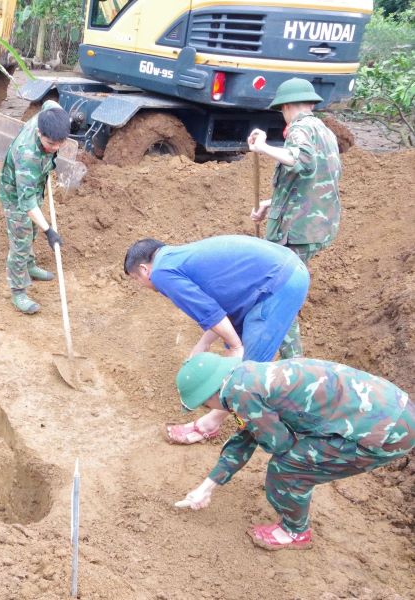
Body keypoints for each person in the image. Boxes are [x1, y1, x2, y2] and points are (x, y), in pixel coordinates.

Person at [173, 352, 413, 550]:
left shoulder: (240, 396)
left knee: (286, 469)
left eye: (203, 404)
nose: (206, 408)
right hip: (396, 405)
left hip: (385, 433)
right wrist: (207, 488)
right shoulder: (246, 376)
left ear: (210, 394)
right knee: (294, 455)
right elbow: (245, 436)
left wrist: (266, 430)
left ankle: (295, 532)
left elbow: (279, 444)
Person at [124, 235, 309, 444]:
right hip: (279, 275)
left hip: (280, 283)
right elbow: (222, 309)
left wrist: (237, 347)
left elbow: (210, 311)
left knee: (248, 369)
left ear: (144, 269)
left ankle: (211, 424)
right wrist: (203, 343)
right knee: (237, 350)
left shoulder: (161, 273)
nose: (140, 284)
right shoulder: (177, 259)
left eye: (136, 279)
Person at [248, 77, 342, 359]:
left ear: (287, 106)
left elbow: (303, 161)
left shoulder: (300, 129)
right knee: (280, 289)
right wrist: (270, 203)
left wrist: (263, 148)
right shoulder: (323, 131)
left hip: (296, 233)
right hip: (316, 227)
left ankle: (293, 364)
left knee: (278, 295)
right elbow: (315, 180)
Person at [0, 99, 69, 314]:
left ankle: (30, 265)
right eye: (50, 144)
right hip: (15, 195)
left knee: (33, 229)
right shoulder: (27, 155)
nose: (55, 148)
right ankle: (18, 291)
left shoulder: (50, 116)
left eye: (60, 143)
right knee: (21, 241)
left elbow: (50, 102)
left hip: (34, 186)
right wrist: (50, 232)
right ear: (39, 133)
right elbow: (26, 203)